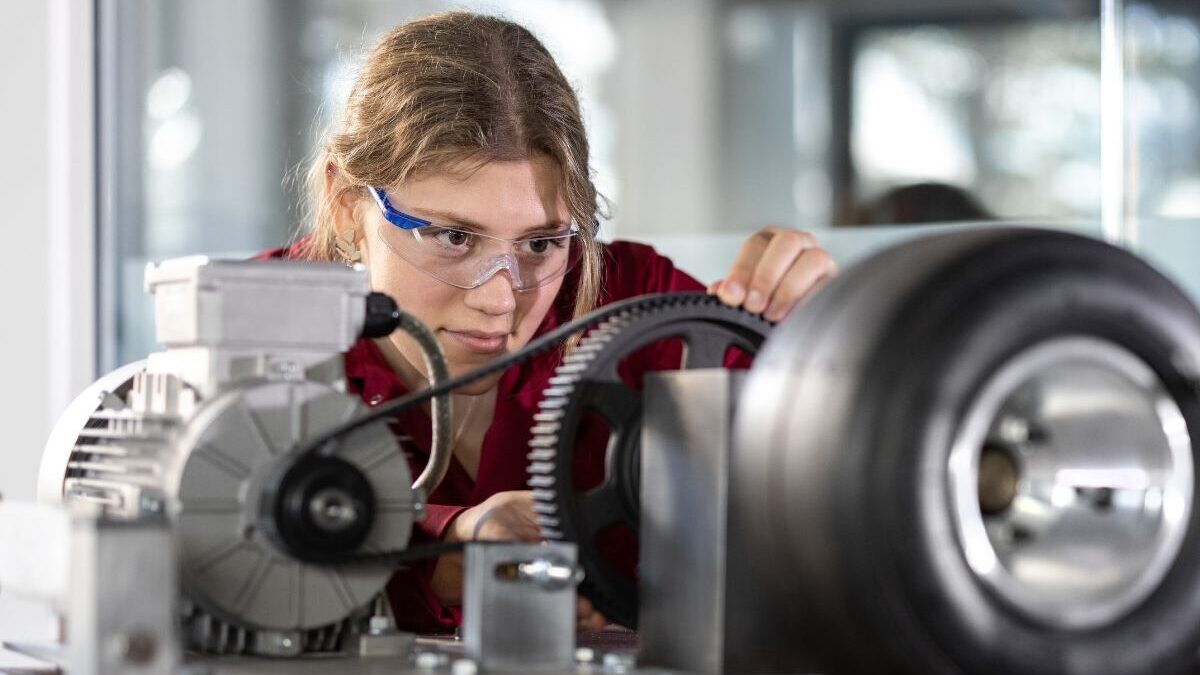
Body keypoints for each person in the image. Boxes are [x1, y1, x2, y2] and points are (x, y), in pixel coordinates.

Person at [260, 11, 836, 633]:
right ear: (348, 207)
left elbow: (825, 470)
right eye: (454, 237)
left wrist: (832, 336)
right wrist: (439, 547)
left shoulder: (635, 305)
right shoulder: (250, 324)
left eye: (540, 244)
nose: (501, 299)